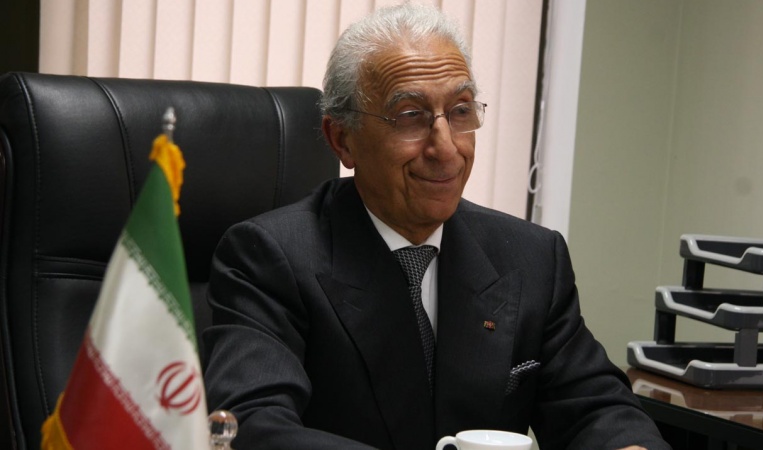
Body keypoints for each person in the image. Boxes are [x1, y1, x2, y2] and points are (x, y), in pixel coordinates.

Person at [203, 3, 669, 449]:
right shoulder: (270, 258)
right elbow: (252, 425)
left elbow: (596, 408)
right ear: (342, 139)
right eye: (411, 116)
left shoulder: (530, 257)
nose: (446, 148)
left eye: (461, 111)